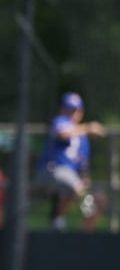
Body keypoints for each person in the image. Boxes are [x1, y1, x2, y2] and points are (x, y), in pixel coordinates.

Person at [36, 92, 106, 231]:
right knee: (75, 186)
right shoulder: (60, 121)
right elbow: (62, 133)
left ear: (81, 112)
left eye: (75, 110)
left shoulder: (82, 139)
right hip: (51, 170)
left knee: (100, 199)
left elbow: (83, 164)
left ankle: (81, 232)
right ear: (62, 109)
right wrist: (88, 128)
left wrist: (85, 179)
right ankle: (59, 220)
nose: (72, 113)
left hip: (71, 177)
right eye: (69, 109)